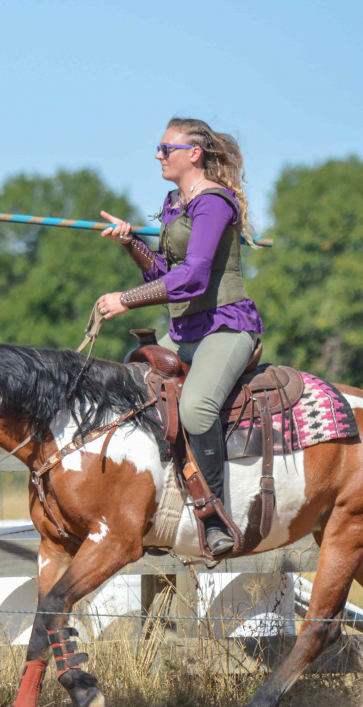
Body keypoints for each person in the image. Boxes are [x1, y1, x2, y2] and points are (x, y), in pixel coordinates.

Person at [96, 117, 264, 556]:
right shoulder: (174, 201)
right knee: (135, 397)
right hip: (185, 330)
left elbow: (192, 278)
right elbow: (165, 274)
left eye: (165, 148)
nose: (158, 155)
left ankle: (214, 518)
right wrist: (132, 242)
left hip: (226, 327)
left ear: (193, 154)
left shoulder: (214, 204)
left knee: (195, 406)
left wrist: (126, 300)